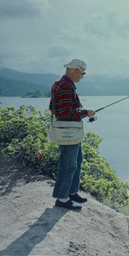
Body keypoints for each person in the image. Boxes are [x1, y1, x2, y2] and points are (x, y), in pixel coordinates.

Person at [49, 59, 96, 210]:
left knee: (77, 160)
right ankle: (62, 199)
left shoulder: (62, 83)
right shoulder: (66, 86)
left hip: (69, 130)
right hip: (68, 131)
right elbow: (65, 111)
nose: (82, 76)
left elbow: (54, 107)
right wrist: (85, 112)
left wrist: (81, 110)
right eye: (82, 73)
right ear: (76, 70)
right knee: (68, 164)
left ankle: (72, 192)